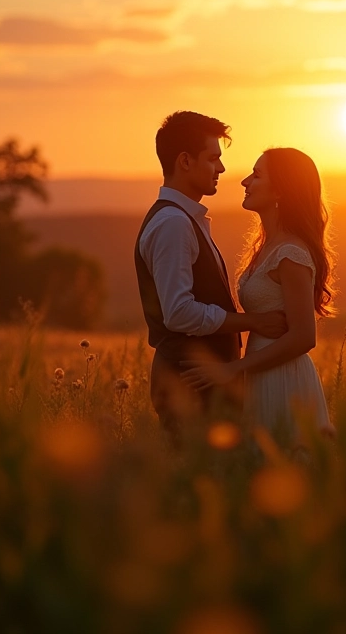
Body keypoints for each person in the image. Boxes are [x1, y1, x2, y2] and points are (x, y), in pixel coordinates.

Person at [134, 111, 287, 445]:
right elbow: (179, 312)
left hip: (201, 383)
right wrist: (253, 322)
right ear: (185, 161)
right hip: (190, 383)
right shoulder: (173, 224)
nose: (221, 168)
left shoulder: (183, 219)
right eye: (213, 158)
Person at [182, 147, 336, 446]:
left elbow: (305, 337)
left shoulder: (291, 253)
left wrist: (232, 369)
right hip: (261, 374)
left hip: (284, 379)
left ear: (280, 190)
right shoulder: (267, 247)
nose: (245, 181)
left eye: (257, 174)